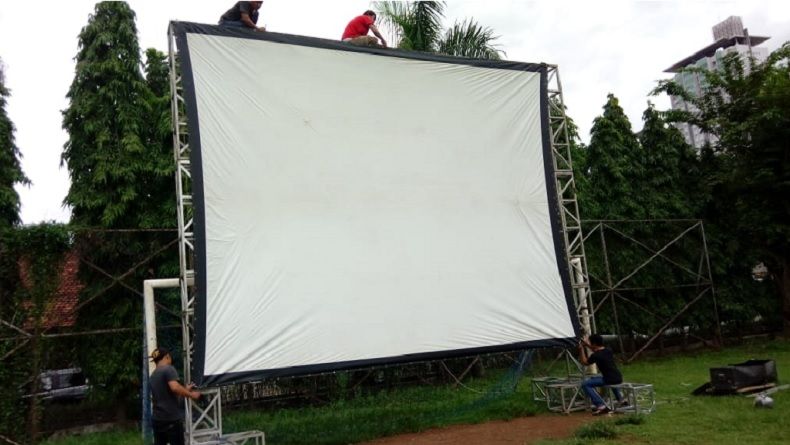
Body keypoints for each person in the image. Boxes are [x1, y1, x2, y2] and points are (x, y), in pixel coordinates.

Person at [150, 347, 201, 445]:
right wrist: (192, 394)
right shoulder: (169, 369)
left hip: (157, 419)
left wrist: (185, 390)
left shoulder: (153, 375)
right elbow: (175, 387)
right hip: (171, 419)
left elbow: (168, 395)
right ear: (167, 357)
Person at [578, 334, 624, 415]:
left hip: (609, 379)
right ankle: (621, 400)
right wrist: (587, 344)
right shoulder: (608, 350)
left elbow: (584, 362)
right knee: (602, 379)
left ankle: (600, 405)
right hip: (618, 377)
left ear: (594, 343)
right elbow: (596, 349)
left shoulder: (596, 355)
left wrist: (581, 348)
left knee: (585, 384)